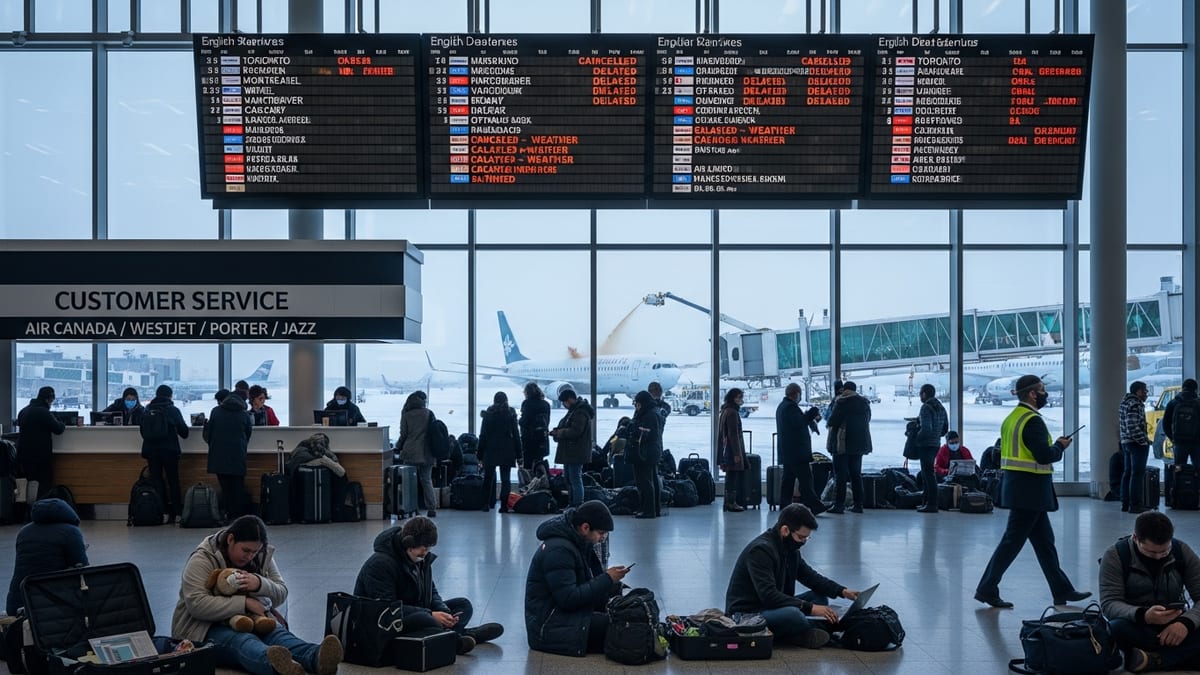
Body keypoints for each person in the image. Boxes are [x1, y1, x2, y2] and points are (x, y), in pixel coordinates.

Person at [974, 374, 1091, 609]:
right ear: (1031, 393)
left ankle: (1062, 590)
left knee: (1045, 543)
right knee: (1011, 542)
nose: (1045, 393)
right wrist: (1060, 446)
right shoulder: (1033, 421)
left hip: (1019, 488)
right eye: (1042, 389)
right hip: (1030, 491)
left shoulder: (1012, 418)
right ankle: (986, 588)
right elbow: (1044, 456)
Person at [172, 515, 343, 675]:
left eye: (254, 552)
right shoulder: (202, 558)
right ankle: (276, 664)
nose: (249, 556)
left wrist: (260, 583)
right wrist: (244, 603)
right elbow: (197, 604)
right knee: (242, 641)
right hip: (205, 627)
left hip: (254, 618)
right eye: (245, 550)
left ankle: (316, 656)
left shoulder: (261, 554)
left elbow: (281, 592)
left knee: (279, 635)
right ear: (230, 539)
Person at [354, 517, 504, 654]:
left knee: (463, 605)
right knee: (427, 620)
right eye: (423, 548)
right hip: (387, 622)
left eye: (428, 549)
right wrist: (430, 614)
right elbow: (387, 609)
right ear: (409, 544)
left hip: (417, 611)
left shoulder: (419, 558)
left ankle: (452, 635)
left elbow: (431, 591)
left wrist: (442, 611)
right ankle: (459, 638)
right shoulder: (380, 564)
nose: (425, 553)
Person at [725, 504, 860, 648]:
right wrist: (810, 608)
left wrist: (842, 591)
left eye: (807, 538)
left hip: (772, 606)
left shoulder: (790, 548)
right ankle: (802, 633)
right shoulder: (760, 551)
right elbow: (769, 596)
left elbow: (810, 577)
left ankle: (803, 632)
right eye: (801, 537)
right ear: (785, 530)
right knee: (794, 615)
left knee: (820, 598)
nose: (803, 542)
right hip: (748, 614)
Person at [1099, 511, 1200, 672]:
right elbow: (1109, 603)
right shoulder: (1115, 556)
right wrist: (1143, 615)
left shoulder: (1182, 551)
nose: (1159, 557)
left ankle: (1154, 659)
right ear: (1135, 539)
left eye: (1165, 551)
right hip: (1137, 625)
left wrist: (1185, 623)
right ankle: (1179, 656)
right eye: (1151, 552)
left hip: (1175, 625)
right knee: (1116, 628)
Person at [525, 501, 628, 656]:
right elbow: (568, 599)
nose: (603, 538)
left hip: (562, 616)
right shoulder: (559, 550)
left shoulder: (578, 542)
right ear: (585, 527)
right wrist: (607, 579)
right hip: (549, 627)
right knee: (623, 627)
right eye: (601, 533)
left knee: (626, 617)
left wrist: (613, 585)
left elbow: (584, 582)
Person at [5, 497, 88, 615]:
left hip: (19, 602)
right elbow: (81, 566)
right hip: (52, 606)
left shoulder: (24, 531)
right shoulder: (71, 531)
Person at [775, 382, 826, 515]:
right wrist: (811, 414)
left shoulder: (782, 407)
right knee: (805, 479)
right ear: (796, 394)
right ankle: (815, 506)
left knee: (788, 480)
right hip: (796, 452)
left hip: (788, 451)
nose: (800, 397)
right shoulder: (790, 408)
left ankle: (785, 505)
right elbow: (799, 423)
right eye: (800, 394)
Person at [142, 384, 189, 525]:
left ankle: (162, 512)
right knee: (173, 481)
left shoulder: (147, 409)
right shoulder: (173, 410)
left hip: (151, 451)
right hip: (169, 451)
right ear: (170, 396)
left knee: (157, 482)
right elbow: (184, 433)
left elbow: (142, 431)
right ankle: (178, 513)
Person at [204, 389, 253, 520]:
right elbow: (248, 434)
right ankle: (238, 517)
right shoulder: (244, 414)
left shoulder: (215, 411)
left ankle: (227, 514)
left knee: (225, 487)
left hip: (218, 455)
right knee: (238, 487)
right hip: (238, 455)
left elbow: (208, 434)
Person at [824, 381, 872, 514]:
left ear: (844, 389)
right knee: (856, 474)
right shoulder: (864, 403)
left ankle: (839, 505)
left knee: (841, 475)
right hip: (859, 445)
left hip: (842, 443)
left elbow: (832, 420)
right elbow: (867, 419)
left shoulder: (841, 402)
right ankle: (858, 505)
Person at [16, 386, 66, 500]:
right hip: (40, 456)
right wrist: (62, 422)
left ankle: (26, 511)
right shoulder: (43, 412)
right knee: (44, 484)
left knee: (26, 484)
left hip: (23, 454)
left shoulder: (23, 411)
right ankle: (41, 510)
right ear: (48, 399)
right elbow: (58, 429)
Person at [549, 389, 594, 509]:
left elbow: (575, 431)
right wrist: (558, 432)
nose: (564, 405)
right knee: (570, 478)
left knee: (575, 478)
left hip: (575, 452)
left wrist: (558, 433)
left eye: (564, 402)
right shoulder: (575, 411)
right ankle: (573, 503)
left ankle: (577, 504)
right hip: (571, 452)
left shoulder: (580, 412)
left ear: (569, 400)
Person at [397, 391, 438, 517]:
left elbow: (404, 434)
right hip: (427, 452)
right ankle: (432, 508)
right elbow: (434, 432)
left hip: (411, 452)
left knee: (410, 481)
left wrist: (398, 446)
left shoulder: (406, 415)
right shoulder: (429, 413)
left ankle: (412, 508)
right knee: (426, 480)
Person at [479, 392, 521, 513]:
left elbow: (483, 435)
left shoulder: (489, 413)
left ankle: (486, 504)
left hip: (490, 449)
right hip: (507, 450)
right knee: (506, 479)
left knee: (488, 478)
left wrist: (480, 454)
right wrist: (519, 454)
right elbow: (516, 435)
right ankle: (503, 506)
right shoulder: (510, 413)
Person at [627, 390, 663, 519]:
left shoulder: (648, 415)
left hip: (644, 452)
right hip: (652, 451)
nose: (636, 407)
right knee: (652, 480)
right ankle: (654, 509)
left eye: (637, 404)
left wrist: (632, 429)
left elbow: (645, 433)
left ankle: (648, 510)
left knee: (644, 482)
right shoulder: (655, 412)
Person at [913, 383, 949, 513]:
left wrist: (916, 438)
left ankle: (932, 504)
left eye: (920, 394)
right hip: (936, 444)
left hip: (926, 445)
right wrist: (937, 435)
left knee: (928, 474)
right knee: (929, 473)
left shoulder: (926, 408)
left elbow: (926, 429)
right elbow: (945, 428)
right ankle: (926, 502)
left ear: (924, 394)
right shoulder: (941, 407)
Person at [1120, 380, 1152, 513]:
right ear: (1138, 391)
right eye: (1145, 391)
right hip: (1136, 444)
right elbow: (1132, 426)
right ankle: (1135, 505)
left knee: (1127, 473)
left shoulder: (1125, 402)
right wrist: (1143, 441)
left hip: (1126, 443)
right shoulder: (1135, 404)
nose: (1146, 393)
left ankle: (1125, 503)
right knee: (1137, 475)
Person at [719, 388, 748, 512]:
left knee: (730, 476)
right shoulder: (732, 413)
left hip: (727, 449)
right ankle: (731, 502)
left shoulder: (725, 410)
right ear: (733, 398)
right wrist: (737, 453)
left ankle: (728, 502)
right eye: (739, 397)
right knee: (733, 477)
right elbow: (733, 434)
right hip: (732, 450)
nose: (741, 400)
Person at [1163, 378, 1200, 469]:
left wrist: (1173, 438)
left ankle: (1177, 482)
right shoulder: (1198, 403)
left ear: (1182, 388)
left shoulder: (1173, 403)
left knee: (1178, 467)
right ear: (1196, 389)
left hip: (1180, 442)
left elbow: (1165, 424)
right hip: (1197, 442)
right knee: (1198, 467)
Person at [519, 382, 551, 474]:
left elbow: (524, 421)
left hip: (529, 439)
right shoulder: (546, 404)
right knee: (539, 463)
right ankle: (539, 483)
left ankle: (529, 485)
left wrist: (519, 421)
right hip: (542, 438)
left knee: (528, 464)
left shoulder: (527, 404)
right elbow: (547, 421)